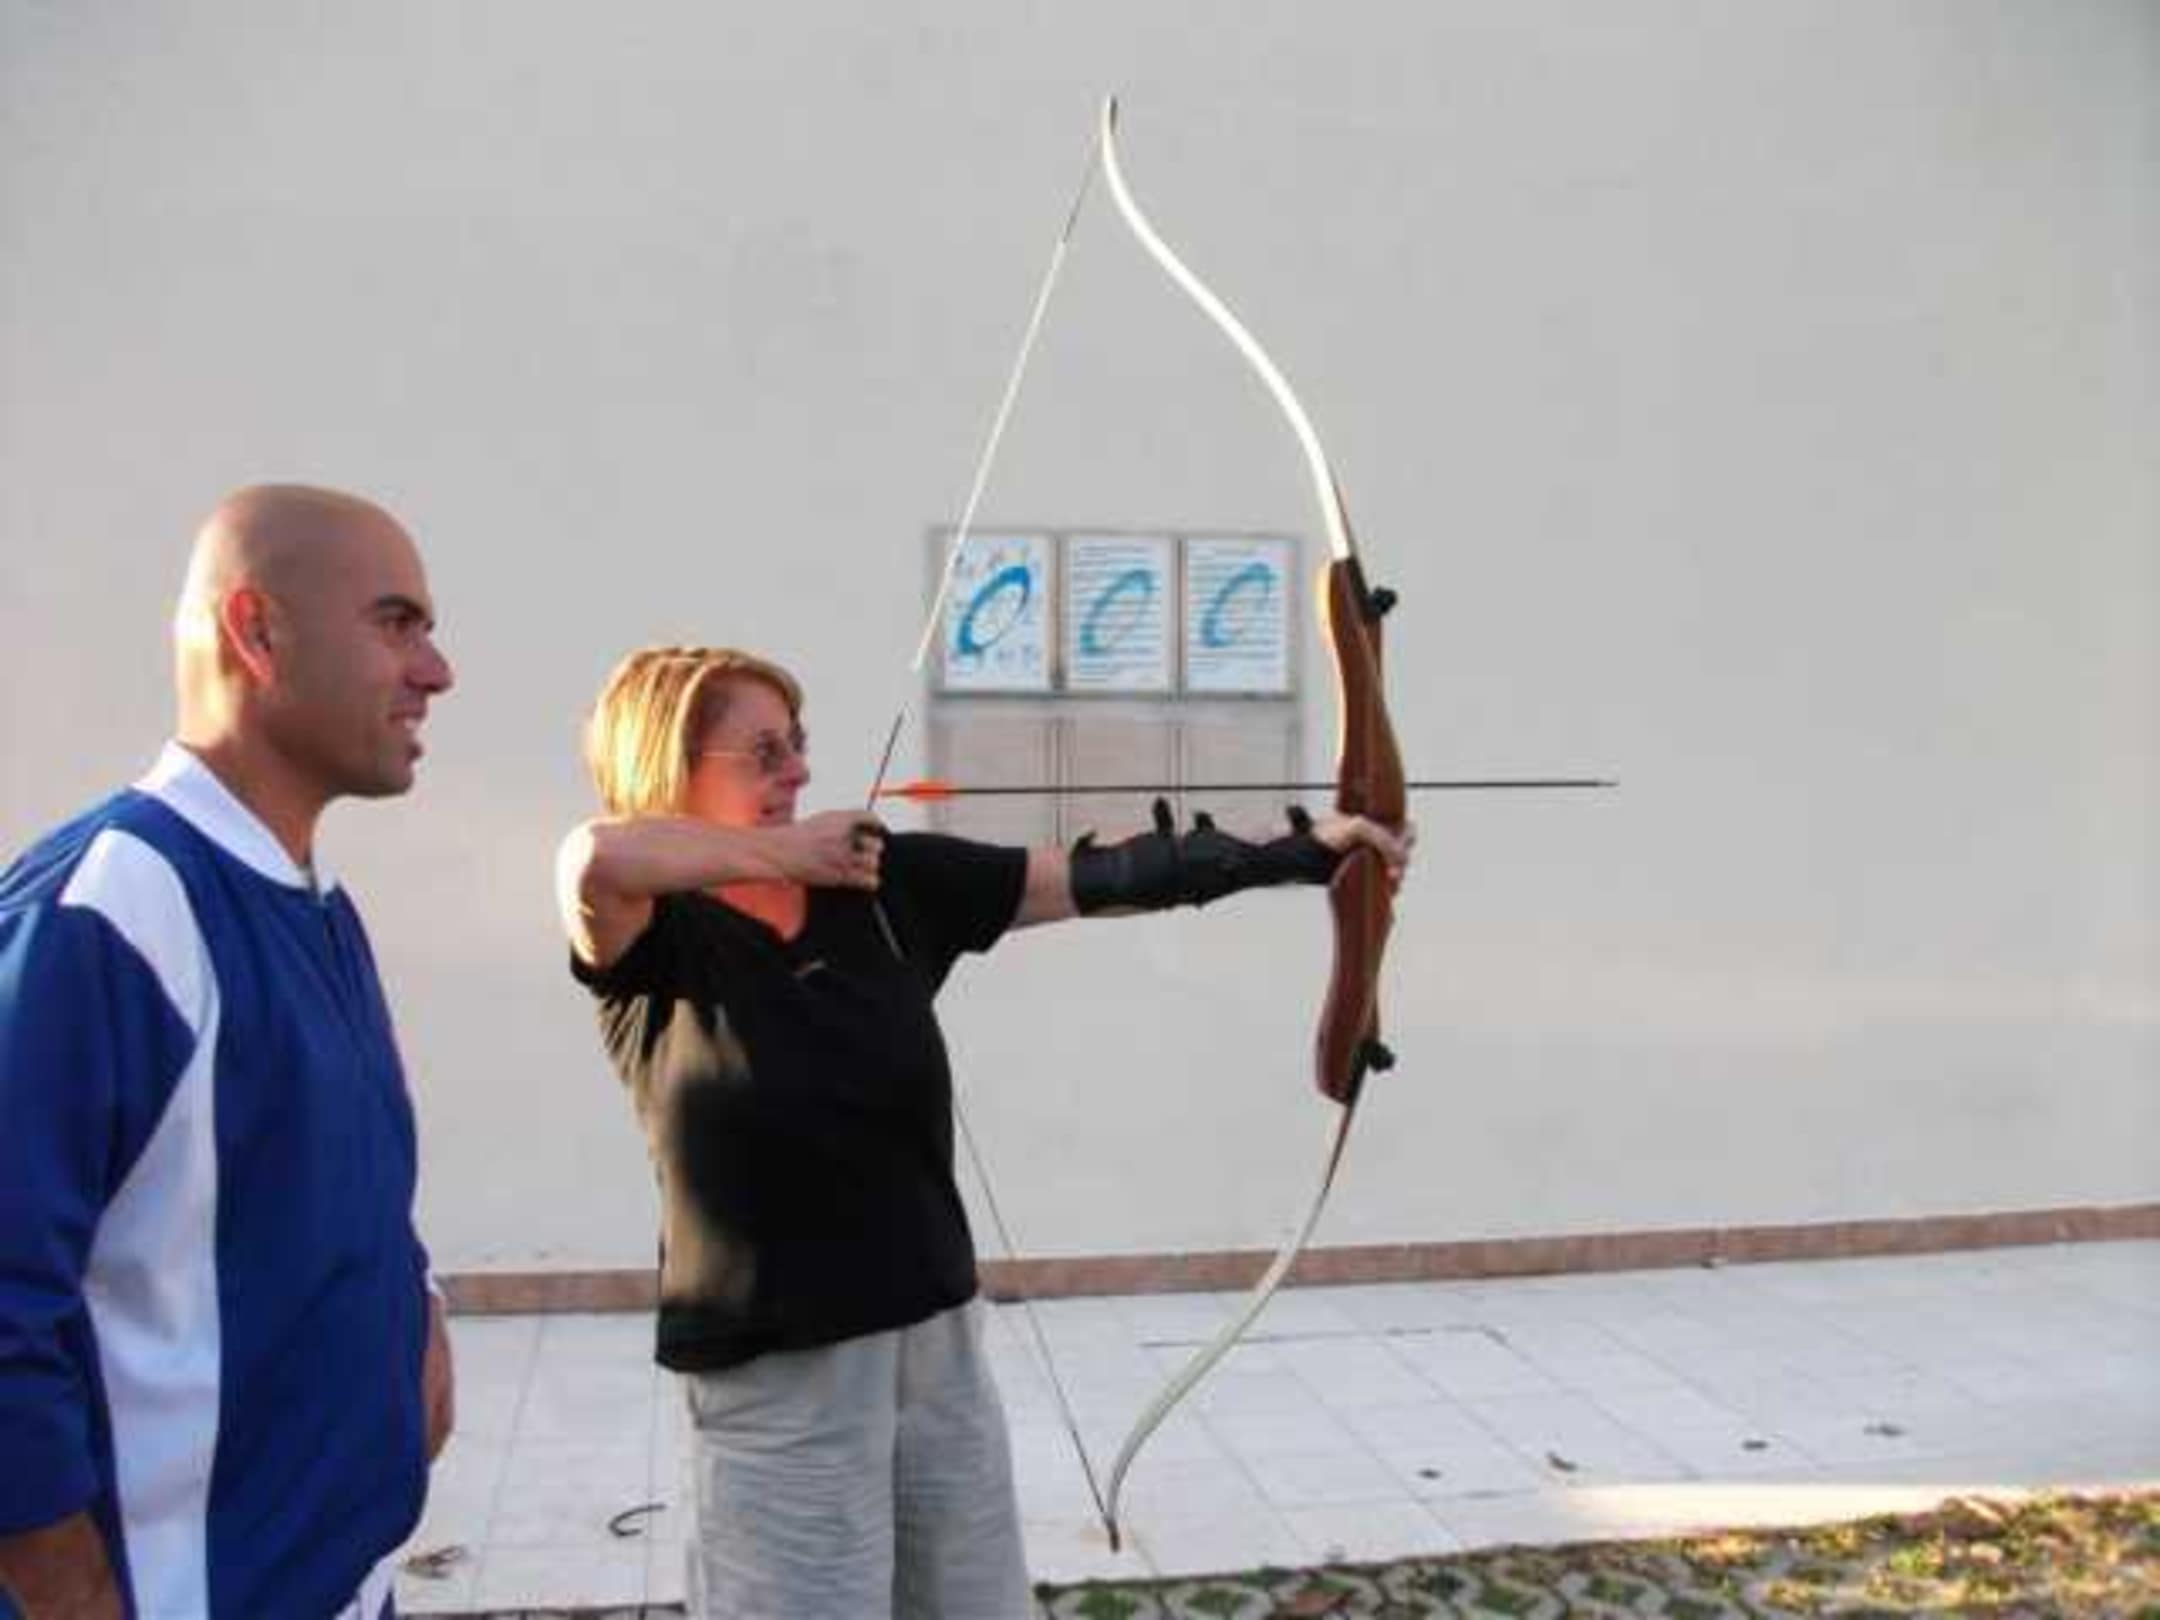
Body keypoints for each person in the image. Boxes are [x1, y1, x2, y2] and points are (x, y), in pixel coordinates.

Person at [556, 644, 1413, 1620]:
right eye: (764, 752)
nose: (798, 769)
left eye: (797, 743)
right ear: (667, 764)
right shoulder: (653, 937)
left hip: (936, 1349)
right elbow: (593, 858)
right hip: (779, 1378)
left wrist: (1311, 852)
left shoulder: (882, 885)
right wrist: (785, 855)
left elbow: (1104, 874)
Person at [0, 485, 458, 1619]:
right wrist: (67, 1593)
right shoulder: (109, 910)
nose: (436, 671)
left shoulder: (319, 906)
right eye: (395, 623)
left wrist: (416, 1309)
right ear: (256, 632)